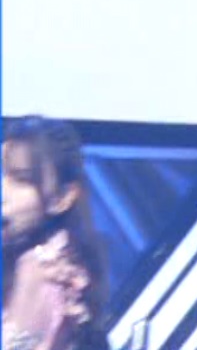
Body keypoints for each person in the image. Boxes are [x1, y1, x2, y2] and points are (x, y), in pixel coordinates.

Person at [2, 116, 109, 350]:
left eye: (21, 180)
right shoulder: (67, 260)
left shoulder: (42, 267)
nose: (3, 191)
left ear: (62, 197)